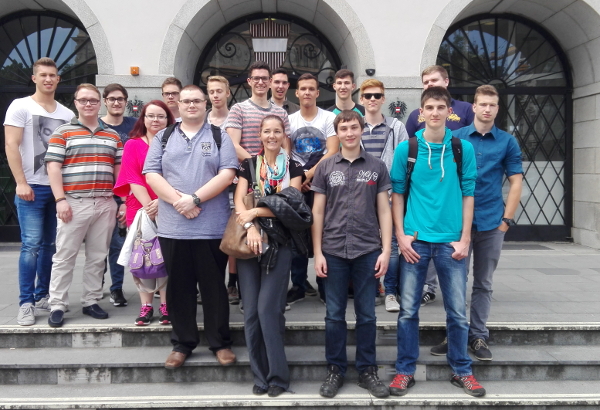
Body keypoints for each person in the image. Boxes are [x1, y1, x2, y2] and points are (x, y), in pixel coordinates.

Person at [389, 86, 485, 397]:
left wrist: (465, 238)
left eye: (440, 107)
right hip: (415, 241)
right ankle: (405, 371)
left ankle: (462, 370)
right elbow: (397, 194)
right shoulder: (407, 149)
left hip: (451, 242)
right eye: (429, 107)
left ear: (449, 112)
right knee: (408, 311)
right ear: (421, 112)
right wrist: (401, 235)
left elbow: (469, 194)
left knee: (457, 312)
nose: (434, 113)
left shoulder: (462, 149)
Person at [144, 85, 238, 369]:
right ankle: (182, 343)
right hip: (173, 227)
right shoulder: (163, 137)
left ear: (205, 103)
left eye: (196, 100)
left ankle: (220, 342)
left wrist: (194, 199)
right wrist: (180, 202)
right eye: (186, 101)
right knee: (179, 288)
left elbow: (228, 174)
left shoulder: (219, 136)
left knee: (214, 288)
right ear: (178, 105)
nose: (191, 105)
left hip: (211, 227)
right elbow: (152, 174)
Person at [429, 85, 523, 361]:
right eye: (483, 104)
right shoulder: (455, 137)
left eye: (492, 105)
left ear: (498, 108)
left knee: (483, 283)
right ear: (474, 107)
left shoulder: (507, 142)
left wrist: (506, 221)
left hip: (492, 223)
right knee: (454, 282)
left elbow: (516, 182)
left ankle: (479, 335)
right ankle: (454, 334)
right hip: (457, 225)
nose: (487, 109)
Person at [312, 110, 391, 399]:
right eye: (343, 128)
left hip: (367, 249)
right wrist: (318, 252)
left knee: (367, 314)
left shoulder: (376, 166)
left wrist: (386, 250)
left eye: (354, 127)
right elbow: (317, 212)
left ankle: (367, 370)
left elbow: (384, 211)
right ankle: (335, 369)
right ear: (338, 132)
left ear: (361, 129)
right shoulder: (325, 167)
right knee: (334, 315)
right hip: (332, 250)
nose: (349, 133)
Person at [234, 115, 307, 397]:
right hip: (248, 242)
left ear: (284, 135)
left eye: (277, 131)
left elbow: (293, 205)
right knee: (252, 312)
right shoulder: (249, 164)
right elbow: (239, 201)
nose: (272, 136)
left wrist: (256, 211)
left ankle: (278, 376)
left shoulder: (294, 167)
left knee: (268, 310)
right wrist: (251, 225)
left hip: (280, 242)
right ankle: (260, 375)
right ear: (260, 135)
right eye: (267, 131)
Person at [45, 83, 123, 328]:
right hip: (73, 203)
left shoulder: (113, 136)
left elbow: (119, 171)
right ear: (75, 102)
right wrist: (60, 200)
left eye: (93, 100)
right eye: (83, 100)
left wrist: (120, 202)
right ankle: (57, 304)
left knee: (98, 256)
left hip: (105, 203)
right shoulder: (62, 132)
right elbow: (53, 168)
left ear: (100, 103)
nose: (88, 104)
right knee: (64, 256)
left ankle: (91, 300)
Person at [4, 57, 74, 326]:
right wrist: (21, 182)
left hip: (57, 190)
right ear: (34, 78)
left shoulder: (67, 115)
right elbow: (11, 145)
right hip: (31, 188)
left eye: (52, 75)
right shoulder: (20, 106)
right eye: (43, 75)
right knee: (31, 245)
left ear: (58, 79)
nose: (48, 79)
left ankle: (43, 294)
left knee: (51, 246)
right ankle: (26, 303)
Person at [405, 65, 475, 306]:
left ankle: (455, 290)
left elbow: (471, 139)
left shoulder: (465, 109)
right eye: (425, 82)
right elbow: (409, 145)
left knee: (454, 253)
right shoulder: (414, 116)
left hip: (452, 187)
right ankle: (429, 287)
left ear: (446, 81)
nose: (430, 85)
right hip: (425, 189)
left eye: (434, 80)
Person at [113, 100, 175, 325]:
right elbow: (132, 177)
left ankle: (166, 305)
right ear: (143, 119)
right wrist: (150, 206)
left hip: (170, 205)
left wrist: (161, 202)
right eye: (151, 116)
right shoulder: (133, 144)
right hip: (139, 207)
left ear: (168, 119)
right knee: (143, 256)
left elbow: (178, 175)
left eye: (160, 116)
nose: (155, 120)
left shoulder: (175, 143)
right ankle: (146, 306)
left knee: (166, 257)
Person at [286, 73, 338, 306]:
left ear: (317, 92)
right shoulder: (290, 120)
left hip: (323, 183)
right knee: (297, 235)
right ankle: (298, 285)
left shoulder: (328, 118)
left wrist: (309, 175)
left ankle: (325, 286)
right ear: (297, 93)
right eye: (303, 89)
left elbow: (332, 151)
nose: (307, 92)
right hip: (297, 184)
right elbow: (286, 153)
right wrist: (299, 177)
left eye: (311, 89)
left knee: (324, 234)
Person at [359, 78, 409, 312]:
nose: (372, 99)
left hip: (389, 194)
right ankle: (371, 289)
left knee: (392, 243)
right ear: (361, 99)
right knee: (367, 243)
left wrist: (395, 193)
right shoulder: (354, 126)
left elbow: (404, 163)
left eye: (377, 95)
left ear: (383, 99)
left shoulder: (396, 127)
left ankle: (390, 292)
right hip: (362, 195)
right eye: (368, 96)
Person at [100, 83, 137, 308]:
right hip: (104, 192)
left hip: (129, 193)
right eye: (112, 99)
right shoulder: (98, 125)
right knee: (99, 245)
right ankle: (97, 284)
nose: (116, 103)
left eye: (120, 99)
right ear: (105, 101)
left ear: (125, 102)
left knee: (118, 243)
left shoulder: (134, 125)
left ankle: (116, 288)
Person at [206, 75, 239, 305]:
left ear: (227, 93)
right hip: (208, 186)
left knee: (233, 233)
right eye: (211, 91)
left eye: (219, 91)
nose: (215, 95)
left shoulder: (235, 119)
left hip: (233, 184)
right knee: (212, 236)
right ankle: (212, 282)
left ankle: (233, 282)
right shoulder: (202, 119)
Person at [225, 61, 291, 161]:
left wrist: (276, 167)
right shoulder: (238, 109)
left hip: (275, 168)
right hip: (247, 168)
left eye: (264, 78)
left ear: (270, 81)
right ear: (249, 81)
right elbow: (233, 145)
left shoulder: (281, 113)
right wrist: (258, 166)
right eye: (256, 78)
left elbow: (286, 147)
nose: (260, 82)